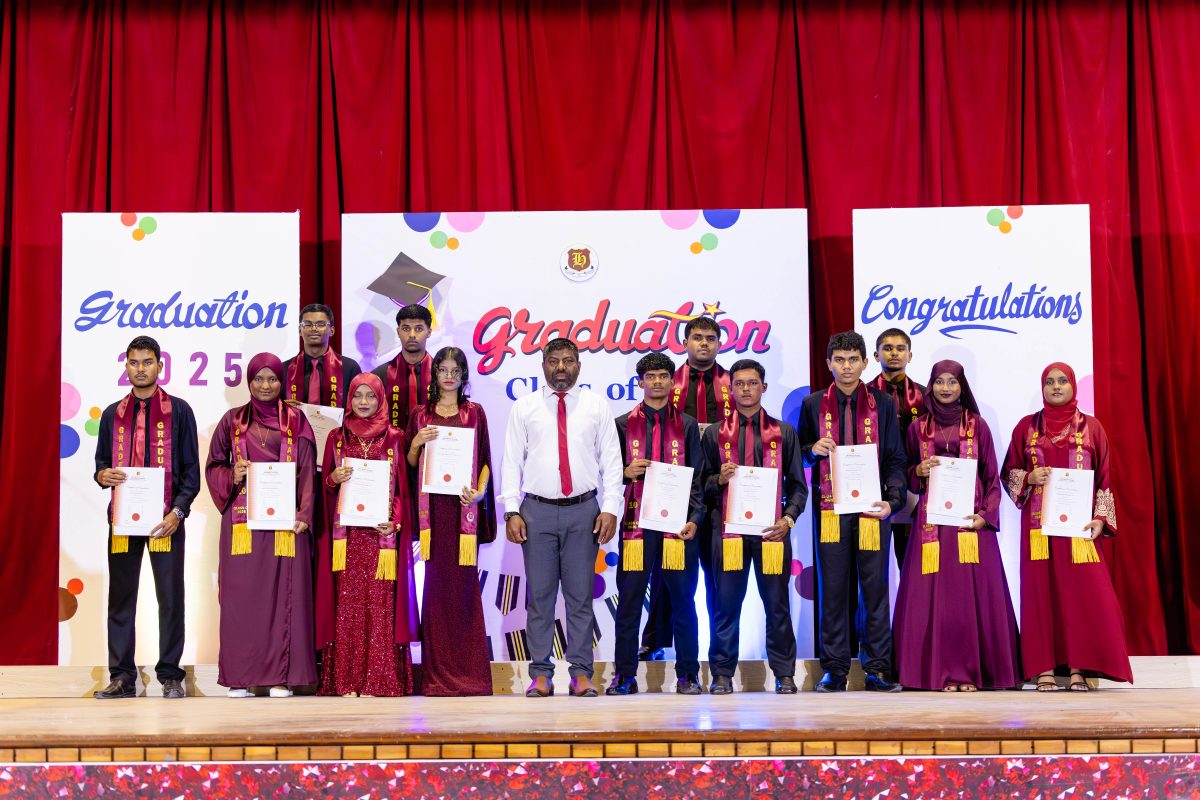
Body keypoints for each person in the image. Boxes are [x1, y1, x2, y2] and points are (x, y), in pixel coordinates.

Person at [500, 338, 623, 698]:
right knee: (539, 597)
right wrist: (511, 509)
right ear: (543, 366)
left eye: (568, 361)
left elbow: (612, 461)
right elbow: (511, 461)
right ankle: (540, 674)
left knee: (580, 597)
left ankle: (581, 673)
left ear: (578, 366)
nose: (560, 368)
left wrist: (611, 507)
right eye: (553, 361)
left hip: (584, 511)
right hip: (536, 511)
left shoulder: (596, 406)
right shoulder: (525, 407)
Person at [1002, 362, 1132, 691]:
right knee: (1039, 595)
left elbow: (1105, 477)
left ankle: (1079, 668)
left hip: (1079, 528)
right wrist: (1029, 477)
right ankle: (1043, 668)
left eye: (1062, 381)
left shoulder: (1092, 427)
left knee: (1083, 597)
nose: (1056, 386)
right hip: (1038, 531)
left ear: (1073, 385)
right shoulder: (1026, 427)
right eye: (1050, 382)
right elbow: (1009, 472)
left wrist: (1101, 518)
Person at [893, 360, 1020, 691]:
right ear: (930, 386)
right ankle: (938, 672)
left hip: (970, 525)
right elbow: (906, 475)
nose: (946, 388)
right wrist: (917, 472)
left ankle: (971, 672)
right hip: (931, 527)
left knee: (968, 600)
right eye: (939, 381)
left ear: (962, 386)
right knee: (933, 601)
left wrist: (986, 516)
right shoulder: (917, 428)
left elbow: (991, 477)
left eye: (952, 381)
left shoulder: (978, 425)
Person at [92, 336, 200, 700]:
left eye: (147, 362)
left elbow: (191, 473)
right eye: (134, 362)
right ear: (126, 366)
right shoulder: (112, 414)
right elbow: (101, 464)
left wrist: (178, 512)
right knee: (121, 599)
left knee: (170, 599)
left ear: (160, 366)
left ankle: (170, 675)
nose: (141, 369)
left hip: (165, 521)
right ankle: (122, 676)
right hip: (123, 520)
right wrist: (102, 475)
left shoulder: (179, 411)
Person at [205, 353, 318, 698]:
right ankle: (240, 677)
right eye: (258, 379)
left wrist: (304, 514)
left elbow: (307, 469)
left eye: (272, 379)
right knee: (240, 599)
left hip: (286, 525)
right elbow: (213, 466)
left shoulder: (296, 420)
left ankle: (280, 678)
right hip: (243, 526)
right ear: (249, 382)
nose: (265, 385)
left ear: (281, 382)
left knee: (284, 599)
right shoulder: (232, 420)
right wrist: (232, 473)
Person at [799, 331, 906, 693]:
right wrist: (811, 450)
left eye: (853, 359)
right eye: (839, 360)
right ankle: (834, 668)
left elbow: (895, 456)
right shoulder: (813, 404)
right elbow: (798, 455)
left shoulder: (884, 403)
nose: (846, 366)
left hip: (873, 509)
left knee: (875, 590)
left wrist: (893, 500)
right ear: (828, 363)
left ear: (864, 362)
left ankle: (877, 669)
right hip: (831, 511)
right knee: (833, 590)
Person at [700, 359, 807, 694]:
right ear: (730, 389)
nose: (746, 389)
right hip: (728, 534)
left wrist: (788, 519)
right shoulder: (714, 434)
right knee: (725, 605)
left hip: (772, 533)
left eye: (752, 383)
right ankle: (721, 674)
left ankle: (784, 674)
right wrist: (719, 479)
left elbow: (798, 486)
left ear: (764, 387)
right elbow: (700, 486)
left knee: (777, 605)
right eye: (739, 383)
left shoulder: (784, 433)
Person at [607, 354, 706, 696]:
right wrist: (625, 473)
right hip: (636, 526)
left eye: (664, 375)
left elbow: (698, 478)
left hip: (678, 527)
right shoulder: (622, 425)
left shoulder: (688, 425)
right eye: (651, 376)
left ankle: (688, 674)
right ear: (640, 382)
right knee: (630, 602)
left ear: (672, 381)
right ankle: (624, 676)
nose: (658, 382)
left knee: (683, 602)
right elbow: (606, 476)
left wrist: (695, 519)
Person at [317, 373, 419, 697]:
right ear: (349, 399)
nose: (363, 402)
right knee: (348, 608)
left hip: (379, 539)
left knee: (380, 607)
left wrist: (396, 522)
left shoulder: (394, 436)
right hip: (347, 540)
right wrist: (332, 478)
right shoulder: (336, 437)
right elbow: (324, 489)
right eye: (358, 395)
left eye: (370, 396)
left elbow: (402, 490)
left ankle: (380, 680)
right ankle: (346, 681)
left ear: (380, 399)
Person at [406, 347, 497, 696]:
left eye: (454, 370)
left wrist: (480, 492)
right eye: (442, 370)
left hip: (463, 513)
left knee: (464, 592)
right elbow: (409, 463)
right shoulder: (421, 414)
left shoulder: (475, 412)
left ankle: (471, 676)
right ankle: (437, 677)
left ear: (463, 375)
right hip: (434, 515)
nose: (448, 376)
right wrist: (417, 442)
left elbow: (485, 460)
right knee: (435, 591)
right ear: (435, 375)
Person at [651, 315, 734, 658]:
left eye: (710, 338)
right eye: (697, 337)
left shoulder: (734, 383)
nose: (704, 343)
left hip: (721, 488)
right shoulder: (669, 382)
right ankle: (655, 641)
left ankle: (720, 648)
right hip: (677, 490)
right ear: (684, 343)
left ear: (719, 343)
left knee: (718, 575)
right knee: (666, 572)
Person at [868, 328, 925, 567]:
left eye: (900, 349)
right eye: (888, 348)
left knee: (910, 564)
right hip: (874, 485)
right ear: (875, 355)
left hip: (913, 486)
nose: (894, 353)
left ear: (909, 355)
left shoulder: (925, 396)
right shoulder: (864, 395)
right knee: (872, 564)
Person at [283, 303, 362, 408]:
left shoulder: (349, 368)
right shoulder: (285, 369)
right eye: (307, 324)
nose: (313, 328)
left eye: (320, 324)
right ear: (300, 330)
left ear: (332, 331)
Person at [372, 304, 434, 432]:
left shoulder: (441, 375)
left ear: (429, 332)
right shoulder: (378, 376)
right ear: (398, 332)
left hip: (432, 442)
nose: (412, 335)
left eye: (418, 329)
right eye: (406, 329)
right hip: (389, 443)